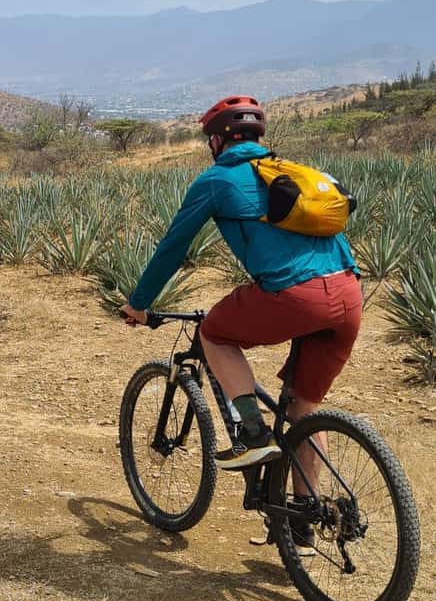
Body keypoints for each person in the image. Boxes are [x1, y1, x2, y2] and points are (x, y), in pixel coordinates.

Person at [120, 96, 361, 484]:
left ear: (217, 141)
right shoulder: (291, 172)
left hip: (295, 295)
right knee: (303, 409)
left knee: (213, 332)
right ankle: (305, 522)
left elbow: (173, 247)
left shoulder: (216, 180)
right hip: (349, 294)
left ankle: (252, 433)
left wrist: (139, 303)